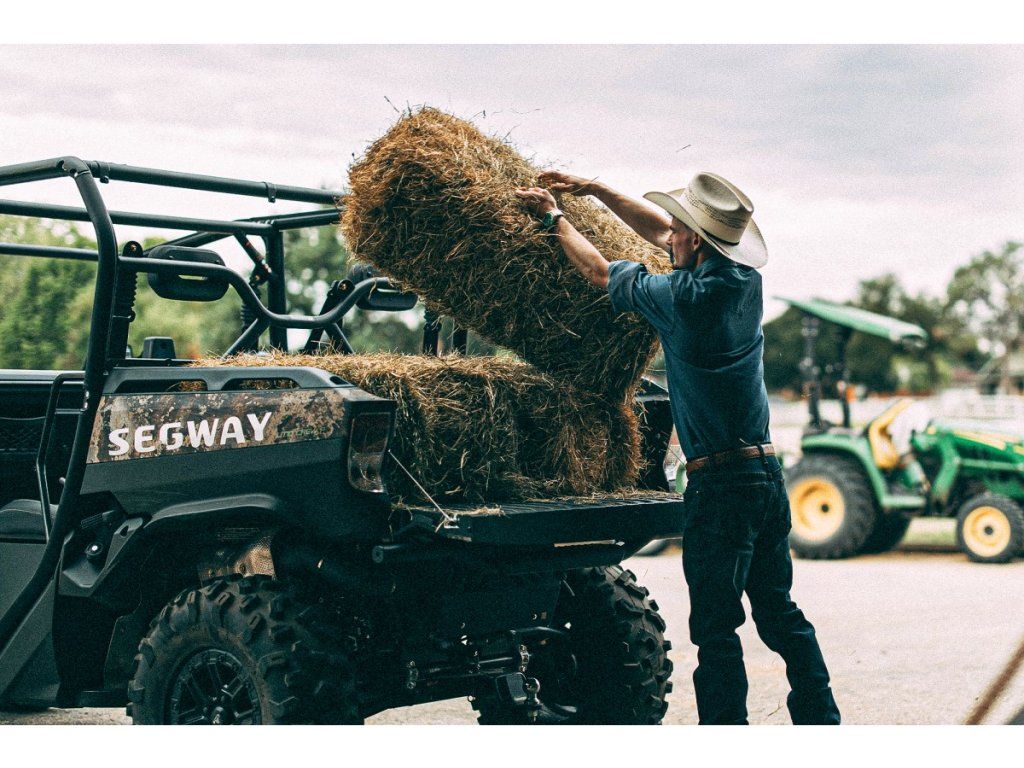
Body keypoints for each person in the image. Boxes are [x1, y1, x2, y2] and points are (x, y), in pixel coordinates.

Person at [515, 171, 841, 726]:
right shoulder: (743, 281)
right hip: (766, 477)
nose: (668, 237)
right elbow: (665, 234)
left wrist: (553, 217)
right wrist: (594, 189)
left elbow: (598, 272)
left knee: (715, 628)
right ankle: (821, 721)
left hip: (721, 485)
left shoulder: (684, 299)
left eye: (679, 230)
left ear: (696, 240)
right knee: (779, 611)